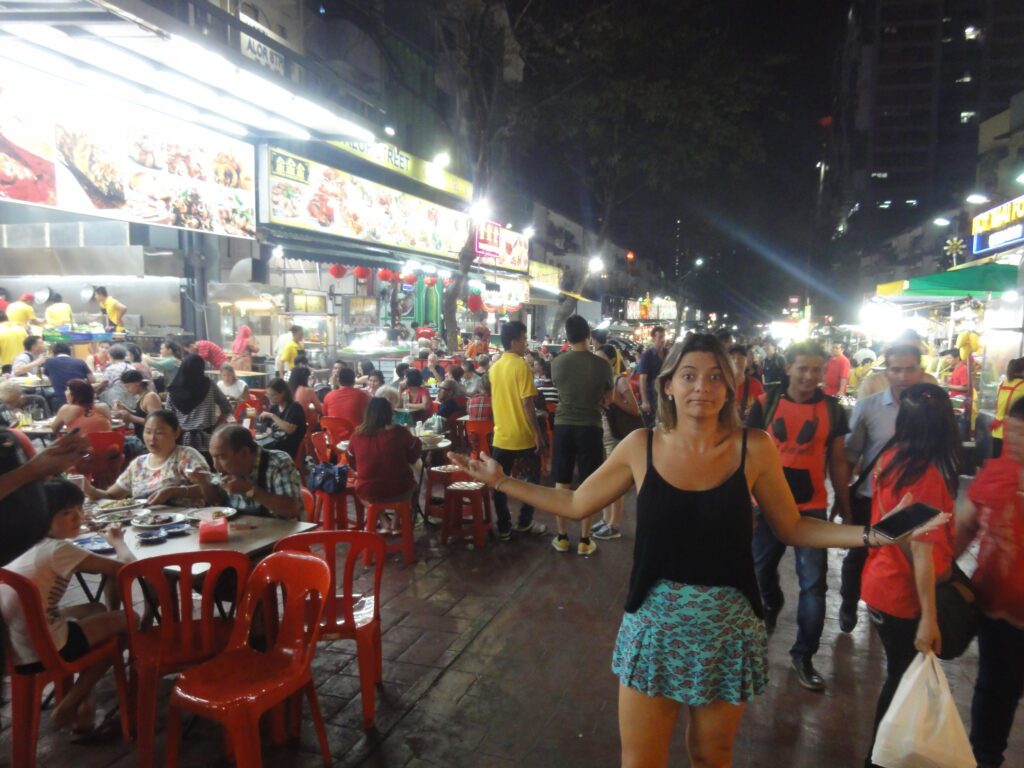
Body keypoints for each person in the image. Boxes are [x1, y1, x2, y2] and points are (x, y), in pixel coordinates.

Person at [447, 333, 945, 768]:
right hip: (653, 634)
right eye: (688, 376)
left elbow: (792, 526)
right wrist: (504, 481)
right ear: (666, 385)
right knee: (639, 761)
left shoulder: (754, 448)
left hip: (726, 635)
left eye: (713, 378)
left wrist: (871, 534)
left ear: (730, 388)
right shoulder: (640, 446)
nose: (700, 389)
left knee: (712, 758)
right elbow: (577, 503)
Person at [861, 383, 960, 766]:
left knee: (899, 676)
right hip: (903, 595)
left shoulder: (892, 457)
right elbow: (922, 552)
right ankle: (880, 757)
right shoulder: (927, 476)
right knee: (901, 681)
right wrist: (929, 619)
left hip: (880, 582)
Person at [746, 341, 851, 691]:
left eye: (816, 369)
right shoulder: (764, 404)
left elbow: (837, 460)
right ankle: (773, 601)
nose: (809, 376)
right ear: (788, 368)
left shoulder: (834, 411)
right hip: (765, 505)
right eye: (802, 368)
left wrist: (844, 504)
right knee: (758, 575)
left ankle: (803, 656)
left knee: (814, 586)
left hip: (811, 510)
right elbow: (745, 456)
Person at [0, 479, 133, 736]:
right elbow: (127, 569)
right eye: (66, 513)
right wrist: (117, 541)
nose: (78, 518)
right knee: (129, 620)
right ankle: (72, 702)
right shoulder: (59, 550)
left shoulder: (23, 544)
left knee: (96, 608)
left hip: (16, 645)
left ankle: (86, 711)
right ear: (42, 519)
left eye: (78, 510)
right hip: (46, 648)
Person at [956, 395, 1024, 768]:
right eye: (1012, 432)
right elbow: (966, 525)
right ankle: (985, 757)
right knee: (996, 686)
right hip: (996, 603)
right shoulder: (996, 471)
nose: (1015, 442)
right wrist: (937, 573)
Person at [842, 343, 926, 632]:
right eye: (896, 369)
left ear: (921, 371)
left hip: (915, 502)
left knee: (906, 559)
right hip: (871, 498)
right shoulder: (869, 407)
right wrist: (844, 499)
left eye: (910, 369)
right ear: (886, 372)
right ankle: (849, 603)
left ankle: (893, 612)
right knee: (860, 554)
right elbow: (851, 455)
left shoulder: (932, 410)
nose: (903, 376)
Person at [550, 315, 614, 556]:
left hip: (563, 425)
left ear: (567, 336)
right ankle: (585, 540)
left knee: (562, 482)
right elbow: (610, 400)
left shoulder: (557, 362)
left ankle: (562, 536)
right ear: (588, 334)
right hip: (591, 426)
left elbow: (559, 388)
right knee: (589, 482)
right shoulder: (602, 365)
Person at [487, 321, 548, 540]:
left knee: (499, 483)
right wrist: (537, 434)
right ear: (514, 341)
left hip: (501, 436)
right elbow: (527, 404)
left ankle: (503, 527)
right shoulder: (521, 366)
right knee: (532, 482)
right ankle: (524, 522)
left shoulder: (494, 368)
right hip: (522, 436)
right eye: (523, 339)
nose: (525, 343)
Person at [84, 410, 209, 504]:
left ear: (176, 433)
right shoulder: (139, 464)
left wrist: (174, 491)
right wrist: (88, 488)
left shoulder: (186, 456)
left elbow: (212, 489)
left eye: (159, 433)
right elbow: (111, 496)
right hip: (145, 527)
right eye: (148, 432)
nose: (152, 438)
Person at [192, 425, 303, 519]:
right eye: (213, 457)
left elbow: (291, 510)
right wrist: (203, 482)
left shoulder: (278, 462)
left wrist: (249, 489)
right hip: (243, 535)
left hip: (279, 538)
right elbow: (216, 499)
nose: (215, 465)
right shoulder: (227, 470)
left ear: (244, 453)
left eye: (221, 457)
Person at [593, 344, 641, 541]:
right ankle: (605, 519)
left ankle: (615, 523)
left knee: (615, 481)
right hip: (603, 434)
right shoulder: (599, 380)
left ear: (612, 361)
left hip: (615, 435)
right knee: (605, 479)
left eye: (602, 359)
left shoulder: (619, 380)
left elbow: (635, 409)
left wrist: (614, 400)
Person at [346, 397, 422, 504]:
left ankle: (383, 520)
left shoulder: (357, 435)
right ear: (390, 413)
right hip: (401, 489)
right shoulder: (400, 432)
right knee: (411, 486)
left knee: (369, 496)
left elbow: (352, 462)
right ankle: (397, 519)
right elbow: (413, 457)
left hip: (368, 491)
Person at [165, 354, 230, 453]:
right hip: (208, 441)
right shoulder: (209, 385)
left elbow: (168, 420)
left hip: (181, 444)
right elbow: (227, 407)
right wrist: (216, 427)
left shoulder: (173, 391)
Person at [256, 378, 307, 459]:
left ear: (283, 393)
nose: (270, 398)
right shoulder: (274, 407)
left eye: (272, 395)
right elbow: (268, 428)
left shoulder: (294, 407)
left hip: (288, 448)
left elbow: (290, 430)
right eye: (268, 395)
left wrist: (272, 416)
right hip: (274, 443)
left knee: (259, 454)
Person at [112, 369, 162, 440]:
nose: (127, 390)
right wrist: (125, 409)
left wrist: (130, 417)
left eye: (128, 386)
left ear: (137, 383)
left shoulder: (150, 397)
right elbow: (141, 414)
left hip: (151, 440)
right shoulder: (142, 396)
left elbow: (156, 422)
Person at [990, 357, 1024, 458]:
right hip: (1014, 435)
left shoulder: (1003, 384)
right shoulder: (1022, 386)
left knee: (998, 465)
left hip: (997, 431)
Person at [43, 342, 93, 408]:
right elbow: (92, 379)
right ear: (70, 351)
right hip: (81, 399)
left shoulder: (49, 362)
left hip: (60, 397)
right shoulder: (80, 361)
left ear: (54, 352)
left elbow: (50, 380)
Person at [636, 326, 667, 426]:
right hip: (651, 395)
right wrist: (645, 401)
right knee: (651, 425)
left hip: (665, 394)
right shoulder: (647, 355)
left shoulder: (668, 353)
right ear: (653, 338)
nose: (663, 340)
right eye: (660, 337)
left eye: (664, 337)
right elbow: (642, 379)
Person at [729, 344, 765, 422]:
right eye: (732, 358)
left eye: (740, 358)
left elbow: (764, 410)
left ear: (746, 361)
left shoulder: (755, 385)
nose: (736, 361)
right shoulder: (722, 385)